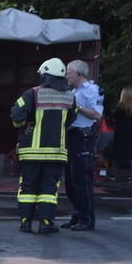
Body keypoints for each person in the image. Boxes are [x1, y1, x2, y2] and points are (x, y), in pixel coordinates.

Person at [10, 58, 77, 234]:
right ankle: (45, 223)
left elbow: (16, 115)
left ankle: (25, 222)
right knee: (49, 189)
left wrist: (24, 126)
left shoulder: (32, 93)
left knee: (28, 186)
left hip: (32, 152)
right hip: (56, 152)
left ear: (44, 75)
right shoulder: (70, 96)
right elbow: (71, 119)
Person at [62, 60, 104, 231]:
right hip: (71, 136)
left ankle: (87, 220)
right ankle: (77, 215)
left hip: (83, 137)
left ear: (79, 74)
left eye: (69, 72)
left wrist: (76, 107)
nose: (67, 75)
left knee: (82, 179)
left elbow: (97, 115)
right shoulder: (75, 90)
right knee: (71, 180)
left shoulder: (92, 90)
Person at [111, 87, 132, 182]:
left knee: (117, 153)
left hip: (122, 133)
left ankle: (113, 174)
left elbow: (114, 117)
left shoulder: (121, 107)